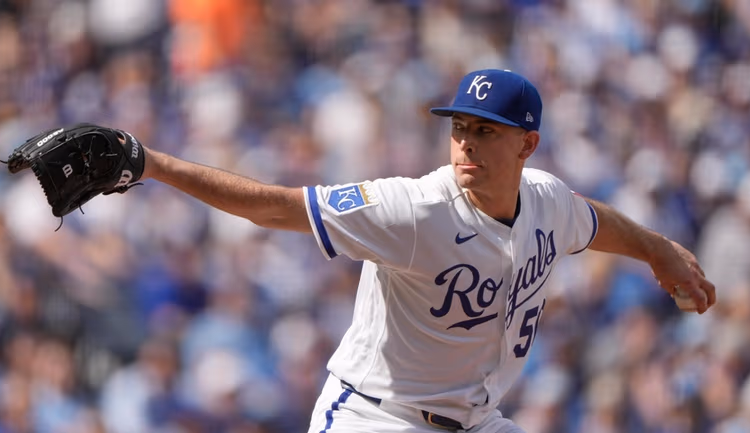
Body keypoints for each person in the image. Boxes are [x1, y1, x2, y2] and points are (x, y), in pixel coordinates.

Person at [136, 69, 715, 432]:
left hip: (477, 419)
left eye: (485, 130)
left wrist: (657, 248)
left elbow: (594, 221)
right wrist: (152, 164)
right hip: (377, 416)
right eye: (459, 126)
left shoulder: (547, 201)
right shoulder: (414, 210)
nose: (466, 142)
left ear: (527, 144)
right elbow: (272, 206)